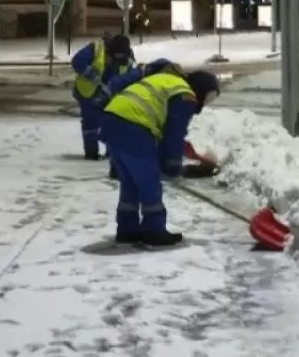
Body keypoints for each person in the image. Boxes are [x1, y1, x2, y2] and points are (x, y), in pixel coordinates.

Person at [100, 68, 220, 246]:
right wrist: (172, 166)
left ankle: (127, 229)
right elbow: (174, 135)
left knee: (130, 182)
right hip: (133, 125)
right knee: (149, 181)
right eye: (209, 97)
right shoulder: (185, 95)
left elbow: (164, 131)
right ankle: (154, 230)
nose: (206, 102)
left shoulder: (168, 81)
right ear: (201, 89)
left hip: (112, 120)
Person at [72, 34, 136, 161]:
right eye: (115, 55)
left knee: (112, 121)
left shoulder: (127, 60)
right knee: (91, 122)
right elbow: (77, 61)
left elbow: (128, 78)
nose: (118, 58)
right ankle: (91, 153)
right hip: (88, 92)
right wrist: (91, 74)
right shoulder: (96, 48)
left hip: (110, 93)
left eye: (121, 56)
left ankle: (112, 152)